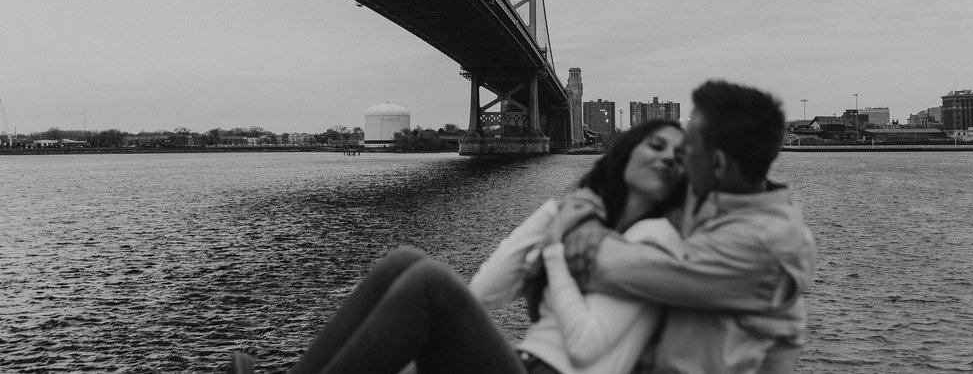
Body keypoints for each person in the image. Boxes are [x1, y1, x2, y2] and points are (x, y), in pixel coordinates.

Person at [231, 119, 687, 374]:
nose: (669, 157)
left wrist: (551, 251)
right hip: (519, 364)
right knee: (404, 260)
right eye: (658, 145)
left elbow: (587, 348)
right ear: (626, 151)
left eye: (681, 156)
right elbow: (485, 293)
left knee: (429, 282)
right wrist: (555, 213)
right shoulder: (580, 221)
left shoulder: (658, 239)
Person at [560, 80, 816, 374]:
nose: (678, 156)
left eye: (688, 147)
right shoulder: (726, 203)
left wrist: (583, 223)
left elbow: (611, 269)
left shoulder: (759, 244)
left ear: (717, 164)